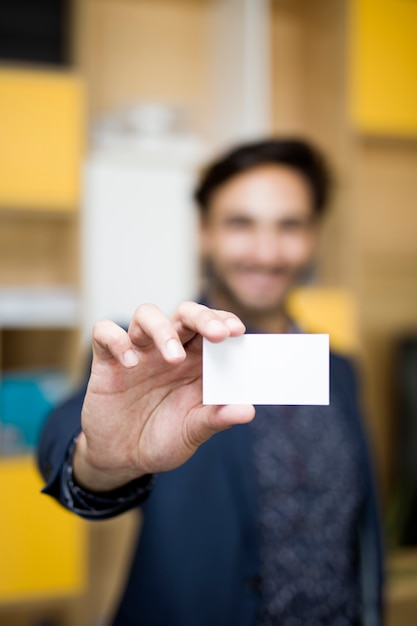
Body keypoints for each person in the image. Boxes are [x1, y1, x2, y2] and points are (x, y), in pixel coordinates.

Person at [38, 138, 383, 626]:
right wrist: (97, 460)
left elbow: (362, 542)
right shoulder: (146, 358)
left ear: (315, 237)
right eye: (241, 223)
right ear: (205, 232)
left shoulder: (340, 369)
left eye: (290, 225)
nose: (267, 252)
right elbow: (64, 438)